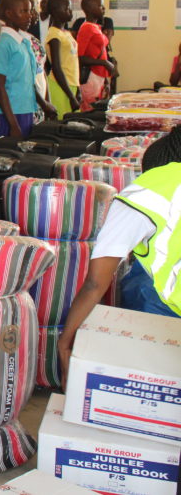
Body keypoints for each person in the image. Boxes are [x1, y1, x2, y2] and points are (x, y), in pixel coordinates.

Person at [58, 128, 181, 382]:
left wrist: (66, 342)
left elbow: (96, 282)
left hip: (172, 308)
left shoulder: (149, 190)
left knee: (141, 281)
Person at [0, 0, 57, 138]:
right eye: (24, 11)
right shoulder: (2, 43)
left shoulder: (24, 41)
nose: (30, 15)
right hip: (8, 114)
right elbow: (0, 86)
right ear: (9, 13)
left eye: (30, 11)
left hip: (25, 110)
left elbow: (28, 81)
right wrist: (13, 124)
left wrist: (43, 104)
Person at [75, 0, 116, 110]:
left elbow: (101, 52)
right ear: (90, 9)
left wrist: (106, 79)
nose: (104, 8)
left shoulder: (95, 27)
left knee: (98, 109)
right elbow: (80, 57)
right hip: (90, 77)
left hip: (99, 76)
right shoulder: (86, 28)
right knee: (90, 111)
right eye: (100, 6)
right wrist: (105, 63)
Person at [45, 0, 81, 118]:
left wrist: (77, 88)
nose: (70, 11)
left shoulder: (66, 33)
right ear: (55, 12)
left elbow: (73, 62)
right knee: (63, 124)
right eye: (67, 9)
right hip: (60, 87)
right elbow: (56, 67)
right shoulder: (54, 35)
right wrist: (70, 95)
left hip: (71, 85)